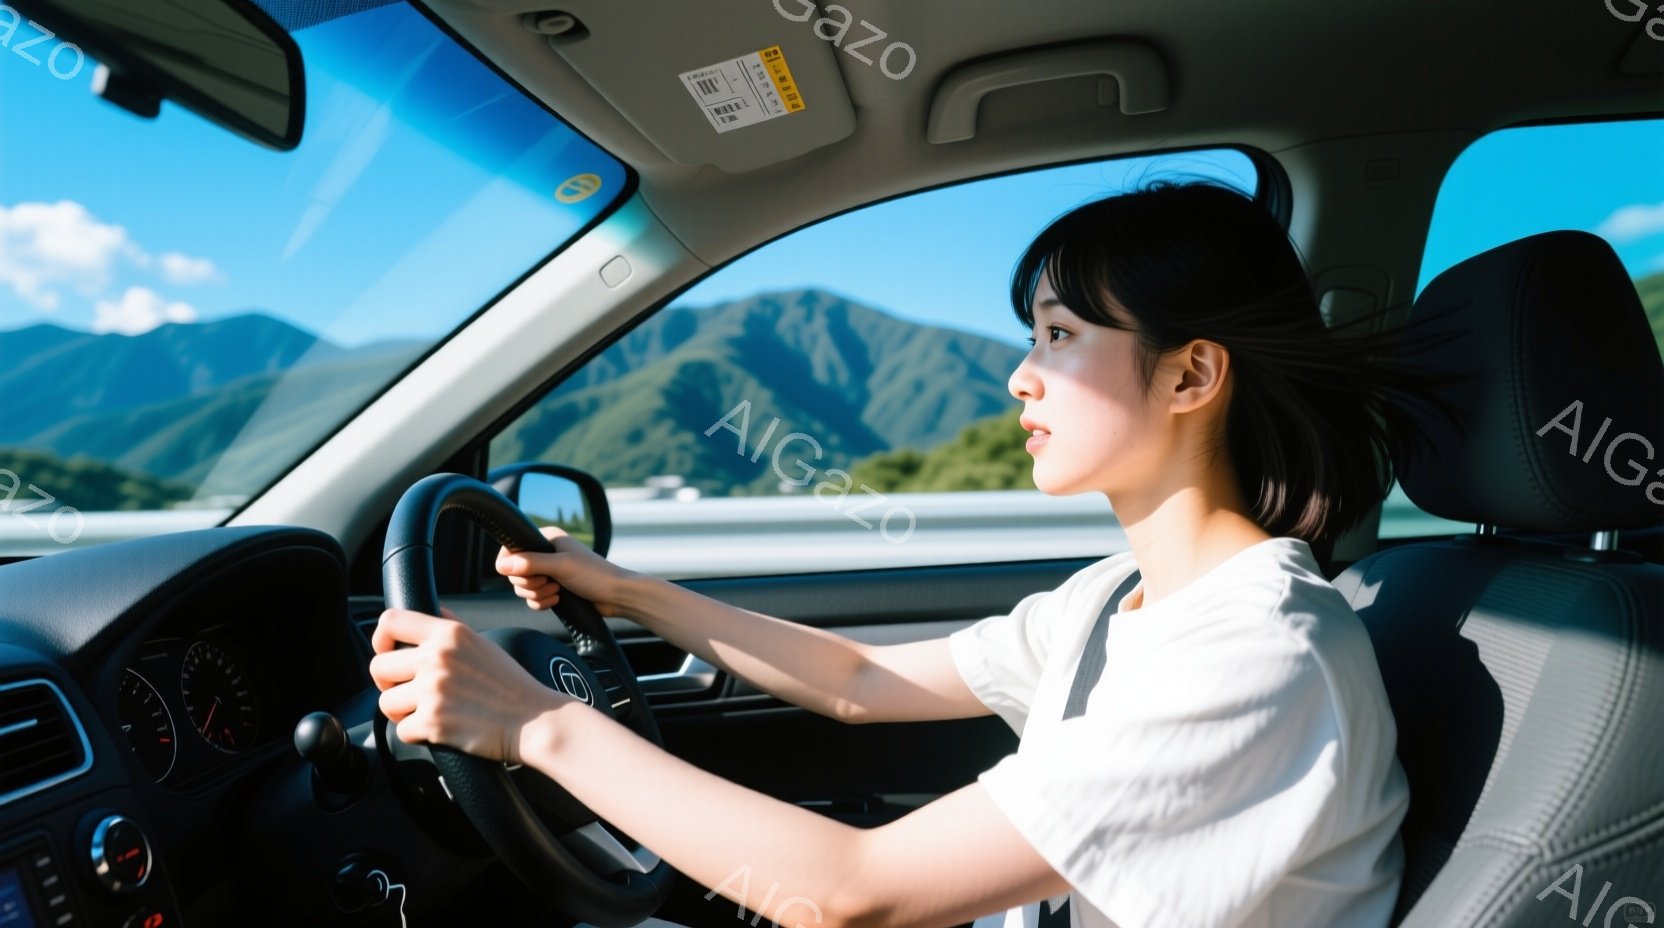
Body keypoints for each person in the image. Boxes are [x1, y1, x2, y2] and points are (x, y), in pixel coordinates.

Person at [371, 180, 1452, 928]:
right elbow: (857, 680)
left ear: (1188, 376)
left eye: (1060, 336)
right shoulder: (1121, 598)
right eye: (1032, 336)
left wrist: (535, 724)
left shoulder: (1254, 655)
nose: (1019, 377)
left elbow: (852, 893)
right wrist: (624, 589)